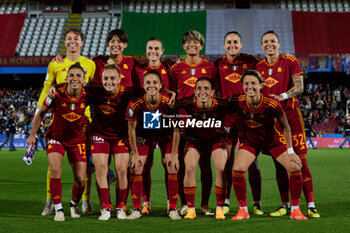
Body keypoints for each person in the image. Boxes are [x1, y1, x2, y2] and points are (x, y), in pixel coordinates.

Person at [256, 30, 320, 218]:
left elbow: (299, 87)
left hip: (291, 117)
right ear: (261, 46)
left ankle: (311, 204)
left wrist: (282, 96)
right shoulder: (259, 67)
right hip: (271, 120)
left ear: (278, 44)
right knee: (279, 164)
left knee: (301, 161)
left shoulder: (290, 61)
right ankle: (285, 205)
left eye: (273, 41)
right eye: (266, 41)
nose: (269, 44)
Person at [230, 70, 307, 221]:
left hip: (273, 141)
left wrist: (291, 152)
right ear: (242, 86)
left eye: (253, 83)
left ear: (260, 85)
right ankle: (243, 211)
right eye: (246, 84)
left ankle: (295, 210)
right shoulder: (237, 101)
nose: (249, 86)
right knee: (238, 169)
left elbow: (286, 127)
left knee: (295, 167)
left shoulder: (271, 103)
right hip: (251, 142)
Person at [36, 29, 96, 217]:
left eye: (76, 39)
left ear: (82, 42)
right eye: (69, 38)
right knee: (54, 165)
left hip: (83, 120)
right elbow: (47, 87)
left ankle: (84, 201)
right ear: (64, 41)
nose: (72, 42)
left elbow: (94, 90)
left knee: (84, 168)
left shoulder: (90, 64)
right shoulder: (56, 63)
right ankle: (50, 202)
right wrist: (39, 111)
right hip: (60, 119)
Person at [27, 63, 88, 222]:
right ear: (66, 78)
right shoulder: (55, 93)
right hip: (56, 138)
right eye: (72, 75)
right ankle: (58, 209)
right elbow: (41, 113)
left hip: (77, 140)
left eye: (78, 76)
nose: (75, 78)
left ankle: (73, 204)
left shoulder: (89, 94)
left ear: (84, 79)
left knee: (81, 180)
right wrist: (32, 135)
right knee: (55, 169)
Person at [214, 31, 262, 215]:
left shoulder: (251, 61)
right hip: (227, 118)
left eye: (235, 42)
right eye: (228, 42)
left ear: (241, 45)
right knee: (228, 160)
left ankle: (257, 203)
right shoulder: (217, 64)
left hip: (248, 118)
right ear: (224, 45)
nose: (232, 45)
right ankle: (226, 201)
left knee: (252, 162)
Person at [170, 30, 217, 216]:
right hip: (182, 123)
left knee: (205, 164)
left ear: (201, 46)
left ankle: (204, 205)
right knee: (183, 165)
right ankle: (184, 203)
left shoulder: (211, 68)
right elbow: (172, 93)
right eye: (188, 42)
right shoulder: (175, 69)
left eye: (195, 42)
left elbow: (217, 93)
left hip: (205, 123)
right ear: (183, 46)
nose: (192, 45)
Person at [126, 69, 181, 220]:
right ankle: (139, 207)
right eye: (148, 82)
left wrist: (175, 154)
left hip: (165, 135)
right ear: (143, 85)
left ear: (161, 85)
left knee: (171, 165)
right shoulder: (135, 104)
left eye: (155, 82)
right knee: (137, 166)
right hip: (144, 136)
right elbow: (131, 129)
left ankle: (172, 208)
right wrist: (135, 154)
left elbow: (177, 129)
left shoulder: (169, 103)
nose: (151, 85)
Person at [178, 77, 230, 220]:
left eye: (206, 88)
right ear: (194, 91)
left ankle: (219, 208)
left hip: (215, 140)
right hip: (195, 141)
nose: (203, 91)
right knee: (189, 168)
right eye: (199, 88)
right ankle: (190, 209)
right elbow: (169, 109)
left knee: (220, 168)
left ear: (212, 92)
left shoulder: (222, 105)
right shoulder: (185, 104)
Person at [86, 64, 133, 220]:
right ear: (102, 79)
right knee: (100, 168)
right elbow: (73, 89)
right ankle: (105, 207)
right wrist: (53, 89)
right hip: (100, 135)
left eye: (113, 78)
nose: (109, 81)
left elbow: (150, 92)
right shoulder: (95, 92)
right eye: (106, 78)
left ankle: (121, 207)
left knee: (121, 170)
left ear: (119, 79)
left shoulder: (127, 94)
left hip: (120, 136)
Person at [134, 37, 175, 215]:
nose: (153, 51)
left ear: (162, 50)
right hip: (143, 121)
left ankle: (171, 203)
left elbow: (172, 91)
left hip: (164, 121)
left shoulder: (169, 67)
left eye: (157, 48)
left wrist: (171, 93)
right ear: (145, 50)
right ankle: (146, 203)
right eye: (150, 48)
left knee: (169, 162)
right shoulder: (137, 68)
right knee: (144, 164)